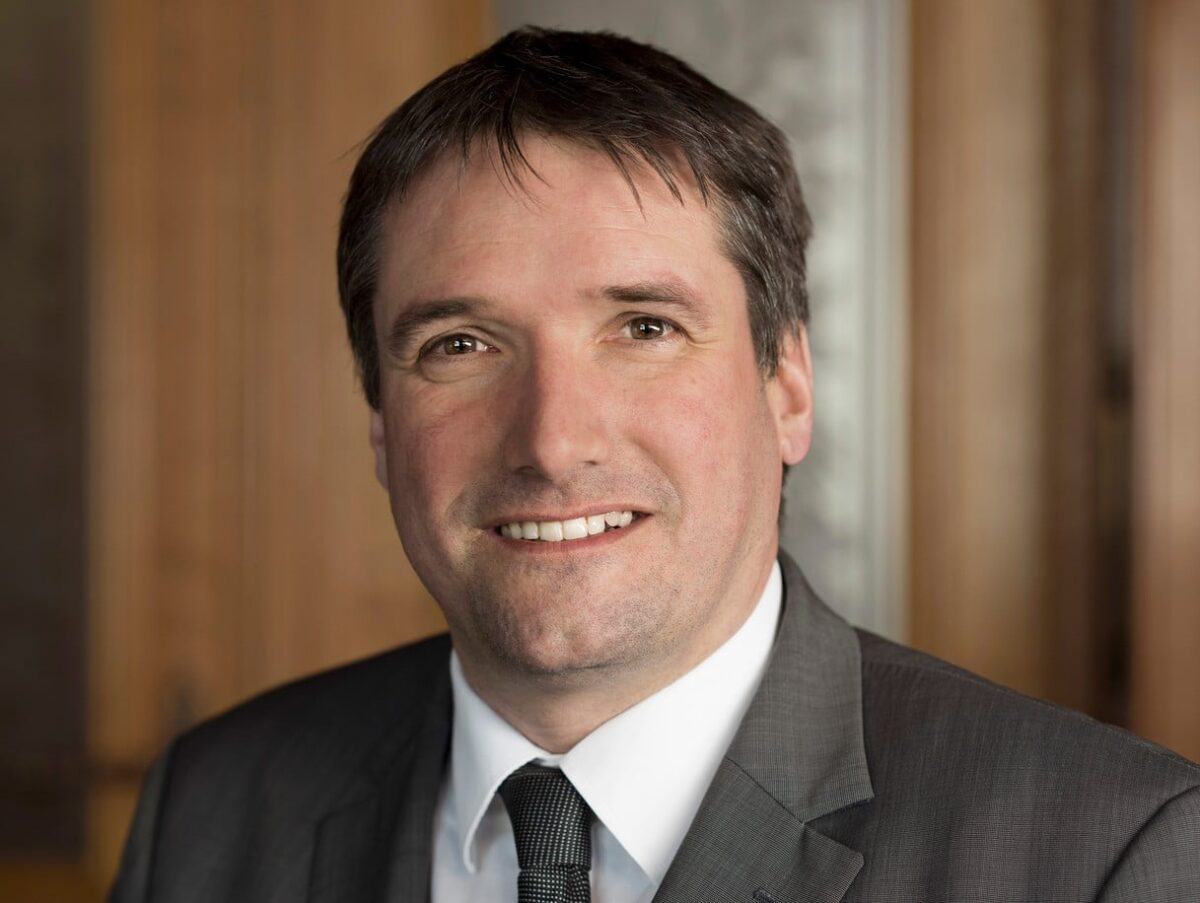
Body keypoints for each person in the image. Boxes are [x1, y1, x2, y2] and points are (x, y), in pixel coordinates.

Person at [111, 27, 1199, 903]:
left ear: (788, 386)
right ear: (382, 426)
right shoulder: (214, 811)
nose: (552, 441)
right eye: (461, 345)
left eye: (644, 329)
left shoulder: (1106, 855)